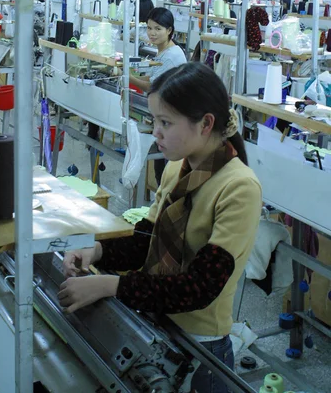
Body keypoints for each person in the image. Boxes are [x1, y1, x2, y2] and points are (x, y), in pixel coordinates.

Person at [59, 62, 262, 393]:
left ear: (206, 124)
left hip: (200, 346)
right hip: (153, 323)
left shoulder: (239, 188)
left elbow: (198, 287)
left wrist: (111, 286)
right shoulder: (176, 168)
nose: (156, 131)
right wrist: (95, 250)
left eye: (166, 122)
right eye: (155, 120)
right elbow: (146, 240)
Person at [129, 7, 186, 94]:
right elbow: (151, 78)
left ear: (169, 30)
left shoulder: (170, 56)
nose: (152, 33)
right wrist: (128, 76)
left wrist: (129, 78)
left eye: (158, 29)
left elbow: (152, 87)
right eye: (149, 28)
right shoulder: (164, 50)